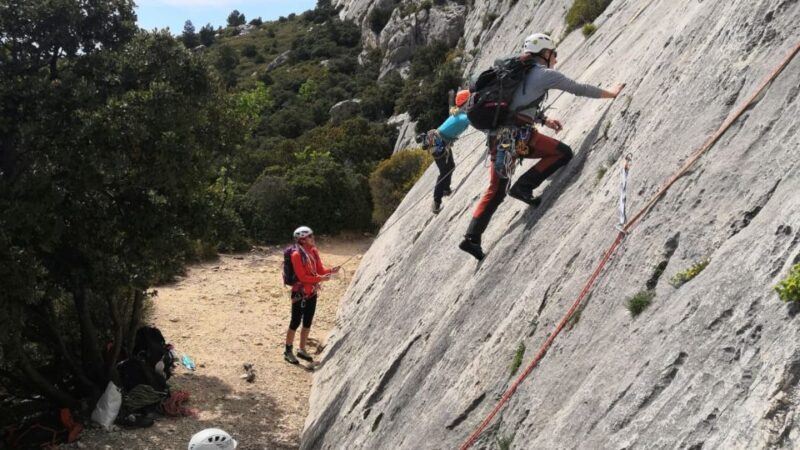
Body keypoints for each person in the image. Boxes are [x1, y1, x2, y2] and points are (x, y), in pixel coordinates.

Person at [459, 33, 625, 260]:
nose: (556, 57)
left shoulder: (517, 73)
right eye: (554, 53)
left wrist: (544, 120)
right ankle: (523, 187)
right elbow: (578, 88)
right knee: (562, 153)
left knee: (496, 189)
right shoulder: (545, 74)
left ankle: (472, 237)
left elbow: (515, 104)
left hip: (499, 139)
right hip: (519, 138)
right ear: (545, 53)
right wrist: (611, 93)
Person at [284, 226, 339, 364]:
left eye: (312, 235)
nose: (313, 238)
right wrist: (321, 279)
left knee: (308, 321)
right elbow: (302, 277)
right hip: (300, 293)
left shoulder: (313, 251)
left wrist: (331, 270)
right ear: (302, 240)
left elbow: (320, 269)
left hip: (312, 292)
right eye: (310, 236)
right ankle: (288, 351)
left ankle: (302, 349)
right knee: (295, 322)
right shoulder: (296, 255)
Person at [423, 89, 472, 214]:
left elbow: (452, 106)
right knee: (444, 171)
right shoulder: (463, 117)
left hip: (437, 141)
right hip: (438, 143)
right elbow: (476, 121)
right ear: (467, 101)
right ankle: (436, 202)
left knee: (450, 167)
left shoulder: (457, 112)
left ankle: (445, 190)